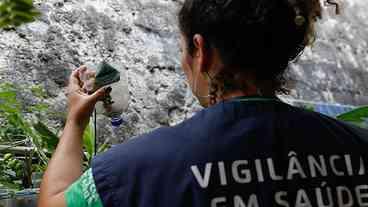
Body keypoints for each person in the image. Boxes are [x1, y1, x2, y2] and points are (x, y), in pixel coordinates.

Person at [38, 0, 368, 207]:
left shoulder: (128, 173)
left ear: (201, 51)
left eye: (184, 50)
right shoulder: (359, 147)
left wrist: (75, 122)